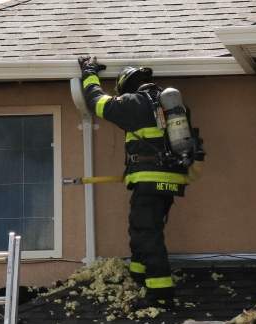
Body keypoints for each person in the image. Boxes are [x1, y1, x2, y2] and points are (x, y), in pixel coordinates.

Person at [79, 56, 191, 306]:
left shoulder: (134, 103)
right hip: (171, 181)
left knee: (146, 233)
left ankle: (160, 293)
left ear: (126, 86)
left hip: (149, 180)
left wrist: (89, 73)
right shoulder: (170, 106)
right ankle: (139, 275)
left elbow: (96, 101)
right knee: (143, 230)